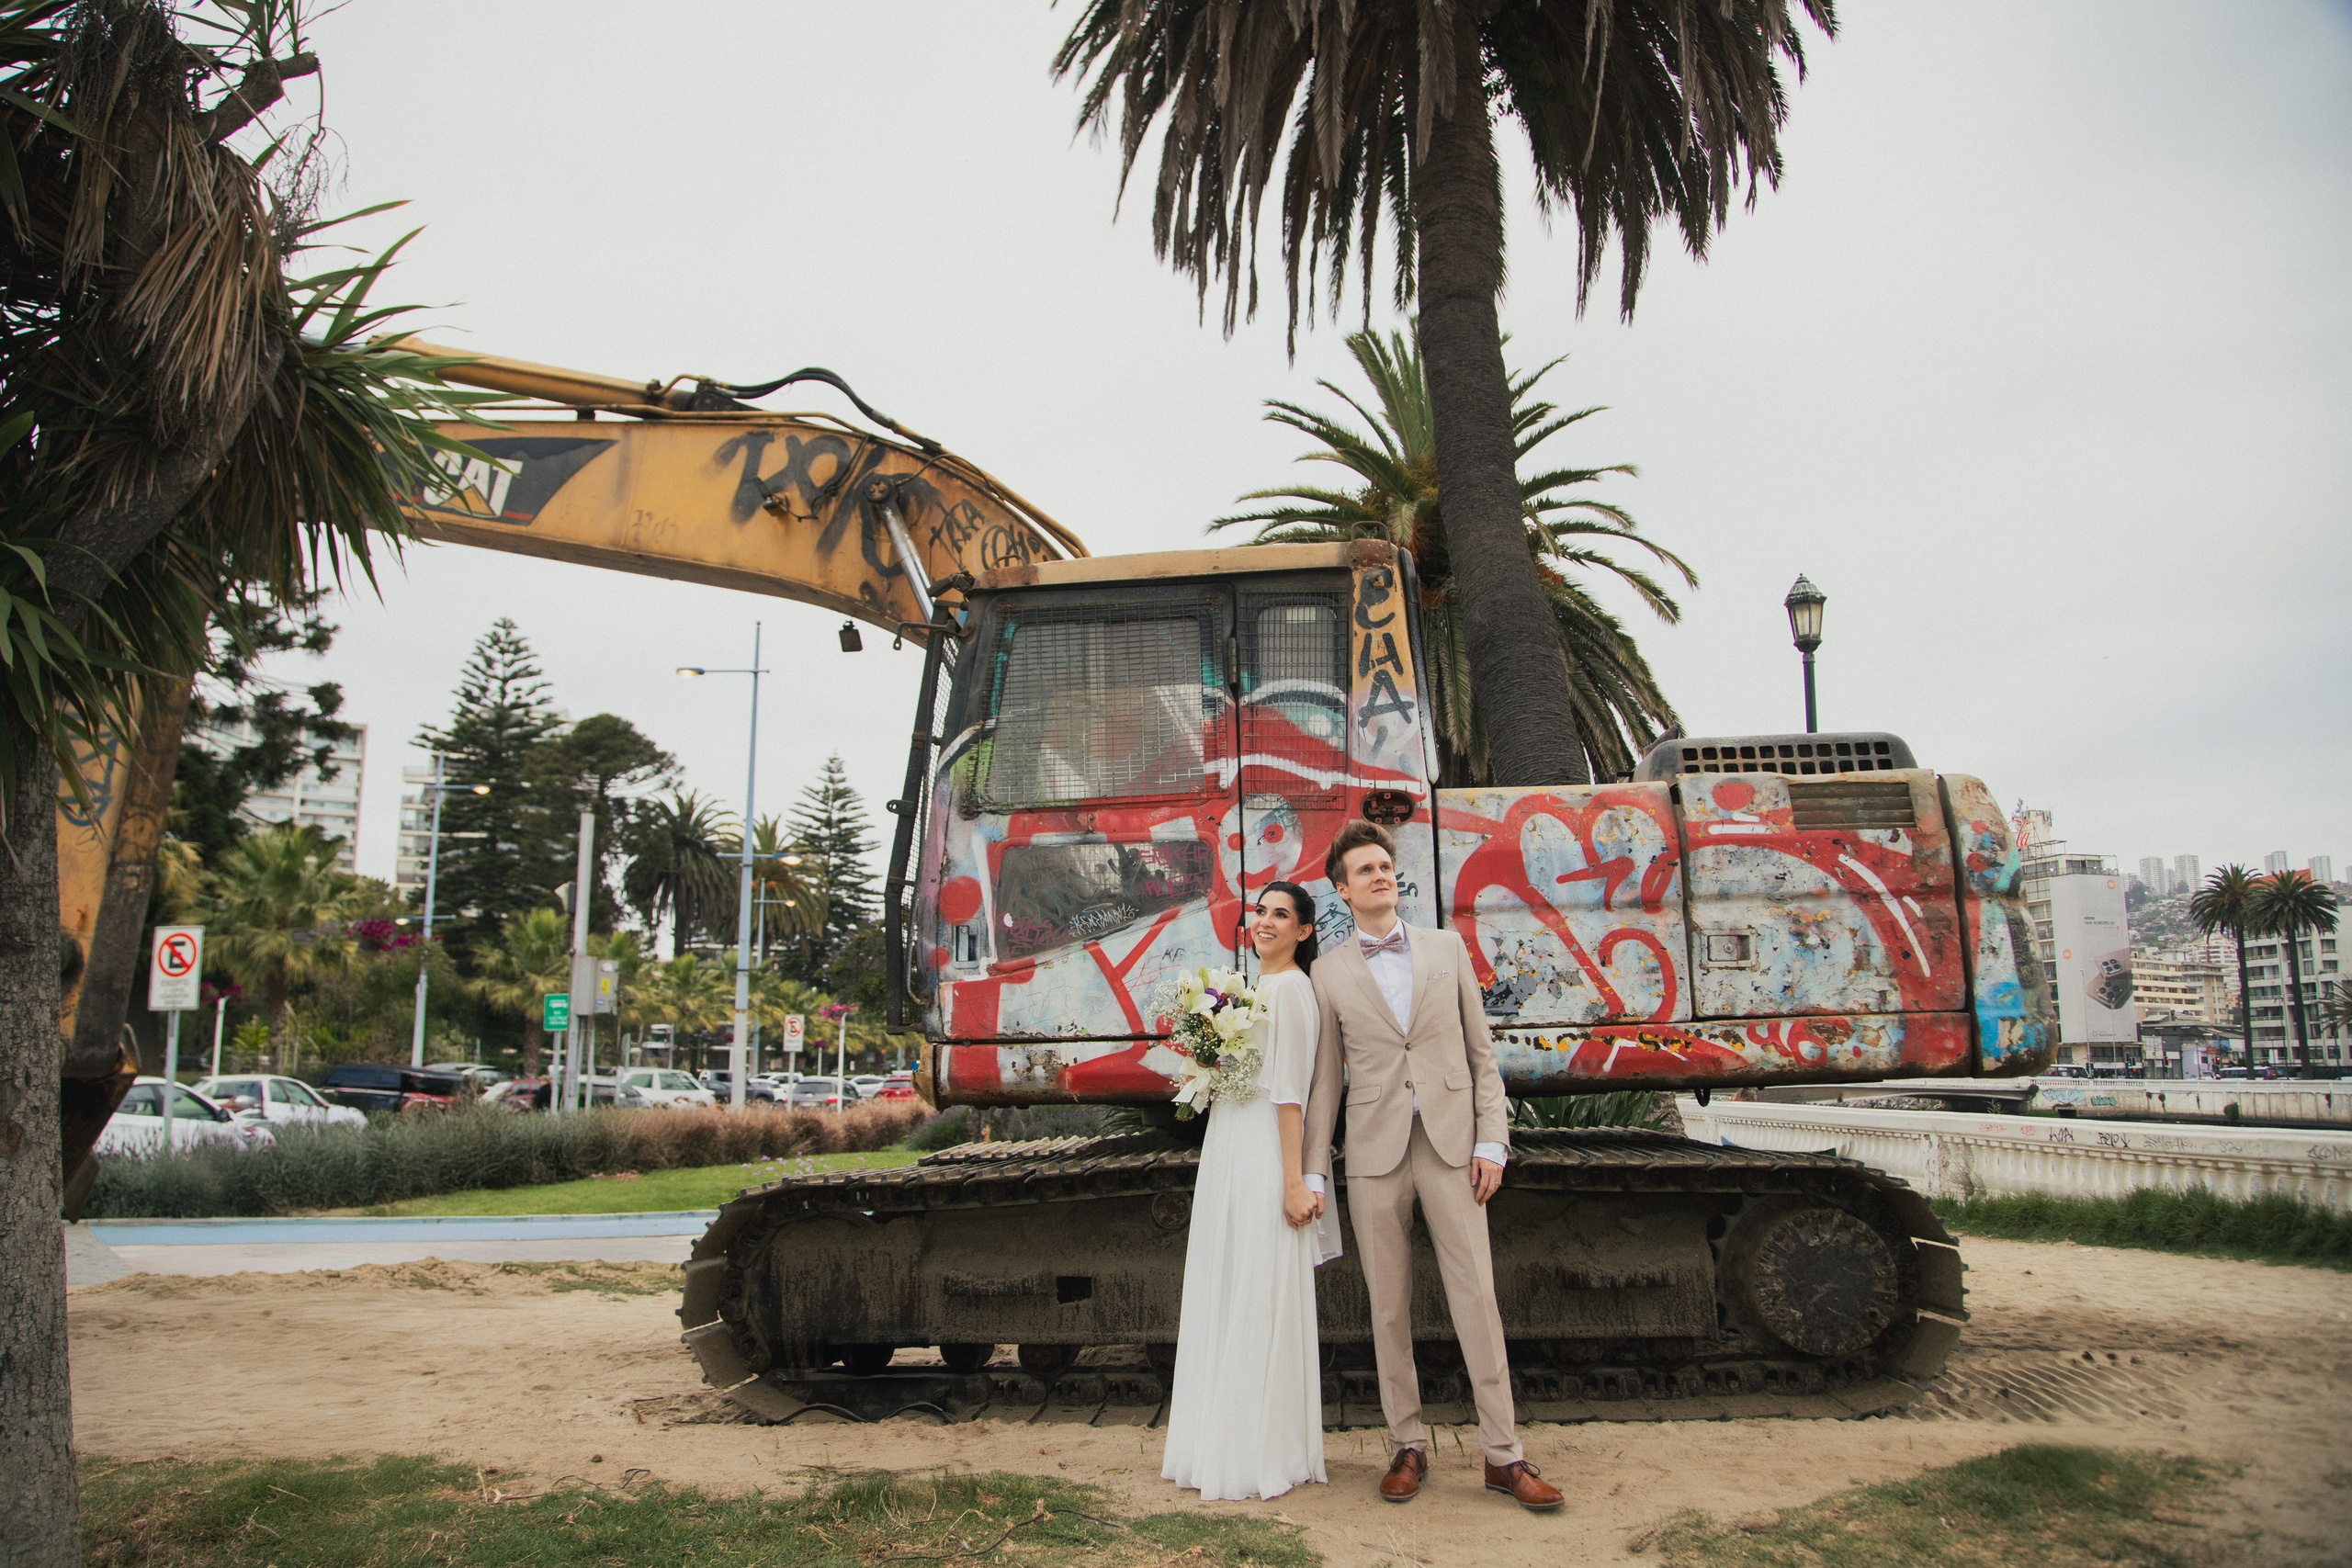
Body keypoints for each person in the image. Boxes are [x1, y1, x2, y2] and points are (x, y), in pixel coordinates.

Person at [1303, 820, 1564, 1513]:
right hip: (1374, 1150)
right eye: (1364, 869)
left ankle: (1504, 1455)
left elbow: (1482, 1055)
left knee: (1477, 1295)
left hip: (1453, 1145)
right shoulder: (1326, 971)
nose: (1379, 875)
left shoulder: (1446, 948)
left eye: (1384, 865)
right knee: (1388, 1306)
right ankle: (1406, 1445)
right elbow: (1325, 1081)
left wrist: (1492, 1142)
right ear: (1342, 889)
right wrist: (1313, 1171)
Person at [1160, 880, 1340, 1502]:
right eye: (1261, 910)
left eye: (1281, 914)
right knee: (1231, 1282)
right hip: (1230, 1146)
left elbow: (1290, 1092)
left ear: (1304, 931)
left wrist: (1294, 1182)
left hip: (1265, 1152)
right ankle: (1222, 1440)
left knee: (1256, 1288)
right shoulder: (1254, 988)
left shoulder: (1291, 988)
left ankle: (1258, 1451)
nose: (1265, 920)